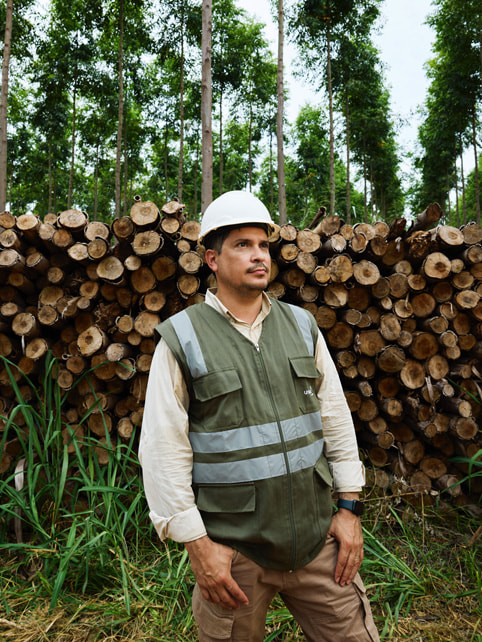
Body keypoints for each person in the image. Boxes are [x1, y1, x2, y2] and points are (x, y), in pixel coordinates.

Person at [139, 190, 379, 642]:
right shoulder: (183, 338)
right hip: (235, 554)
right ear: (212, 259)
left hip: (316, 542)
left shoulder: (301, 325)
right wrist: (199, 546)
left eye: (263, 245)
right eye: (242, 245)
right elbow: (162, 449)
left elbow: (334, 419)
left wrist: (349, 509)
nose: (258, 256)